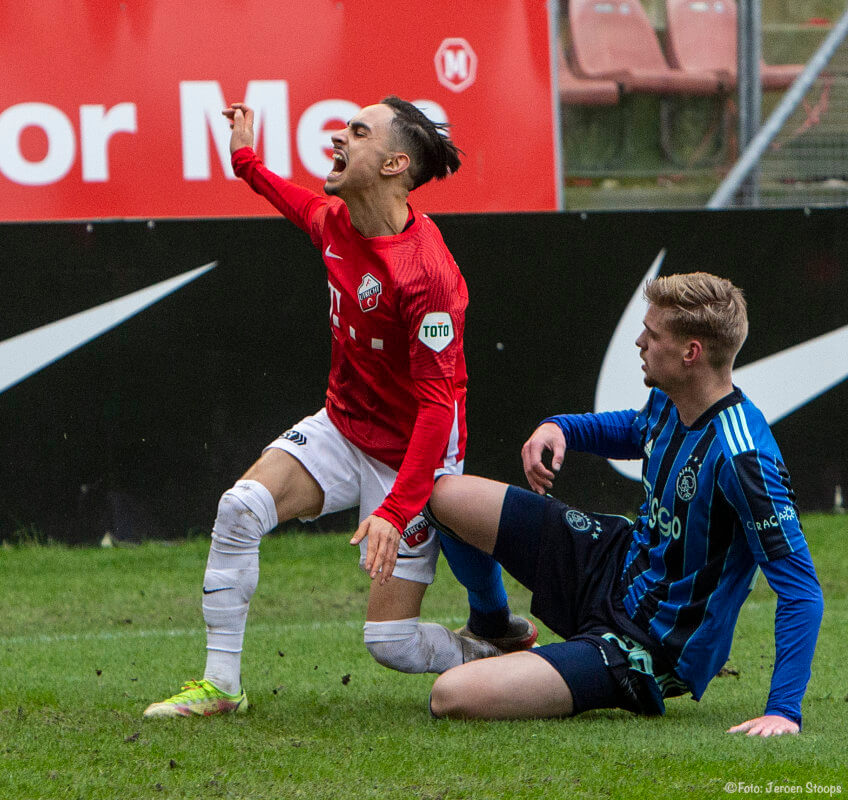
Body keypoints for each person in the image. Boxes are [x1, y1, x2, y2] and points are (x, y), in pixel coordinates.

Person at [143, 97, 536, 717]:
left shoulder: (427, 274)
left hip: (413, 450)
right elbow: (286, 197)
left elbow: (437, 410)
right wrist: (245, 158)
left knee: (391, 644)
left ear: (394, 164)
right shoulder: (334, 220)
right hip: (342, 427)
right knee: (239, 509)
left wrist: (395, 507)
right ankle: (221, 687)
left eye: (358, 131)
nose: (338, 136)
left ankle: (501, 660)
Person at [423, 272, 823, 735]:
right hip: (613, 560)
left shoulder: (744, 460)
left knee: (450, 694)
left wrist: (783, 711)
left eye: (653, 336)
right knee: (443, 494)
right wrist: (562, 428)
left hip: (647, 644)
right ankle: (493, 626)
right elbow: (636, 430)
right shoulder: (672, 398)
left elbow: (801, 589)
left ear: (691, 353)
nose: (639, 341)